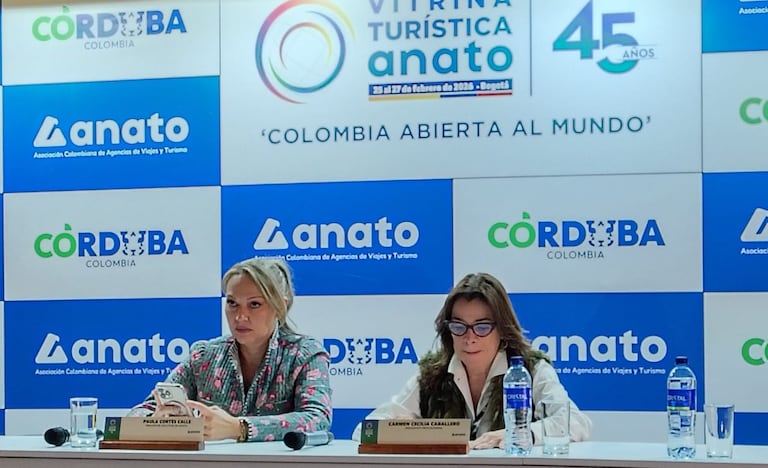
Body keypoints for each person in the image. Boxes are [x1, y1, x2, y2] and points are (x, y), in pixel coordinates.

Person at [352, 272, 591, 449]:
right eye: (459, 326)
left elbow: (576, 423)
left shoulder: (530, 369)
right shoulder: (432, 374)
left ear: (502, 329)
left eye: (482, 327)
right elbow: (364, 431)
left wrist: (518, 433)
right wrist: (400, 430)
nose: (469, 338)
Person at [128, 257, 332, 442]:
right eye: (233, 303)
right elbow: (139, 413)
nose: (240, 316)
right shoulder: (203, 356)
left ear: (280, 307)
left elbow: (317, 418)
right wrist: (156, 421)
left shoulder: (305, 354)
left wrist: (239, 428)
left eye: (254, 304)